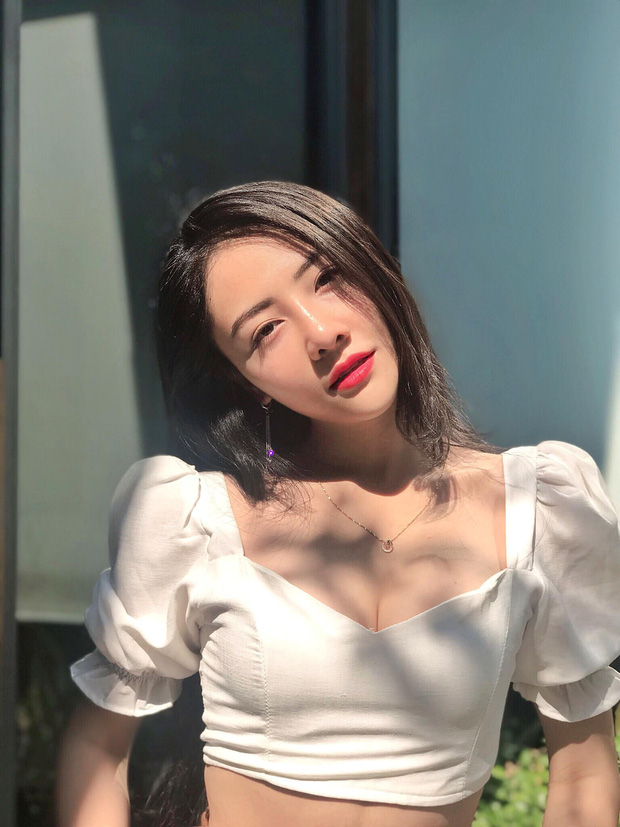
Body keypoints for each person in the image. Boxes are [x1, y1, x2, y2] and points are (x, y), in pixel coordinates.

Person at [57, 181, 620, 827]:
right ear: (244, 380)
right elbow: (99, 747)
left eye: (327, 279)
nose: (323, 333)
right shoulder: (198, 519)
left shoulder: (539, 509)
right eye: (266, 329)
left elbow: (584, 776)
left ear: (373, 269)